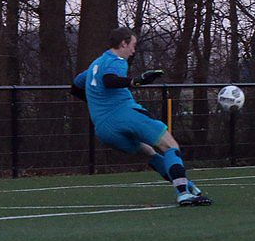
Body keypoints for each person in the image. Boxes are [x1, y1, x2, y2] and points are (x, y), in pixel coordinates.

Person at [71, 27, 211, 206]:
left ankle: (186, 186)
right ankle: (183, 194)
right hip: (124, 115)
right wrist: (136, 81)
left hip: (103, 129)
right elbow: (109, 80)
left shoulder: (95, 65)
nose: (133, 51)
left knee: (150, 153)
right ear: (124, 43)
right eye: (133, 45)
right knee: (170, 146)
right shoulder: (117, 61)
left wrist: (96, 103)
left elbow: (75, 87)